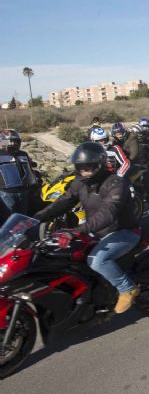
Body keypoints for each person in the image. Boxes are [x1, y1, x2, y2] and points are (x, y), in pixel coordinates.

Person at [34, 142, 140, 313]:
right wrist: (36, 218)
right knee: (61, 256)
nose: (84, 171)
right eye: (81, 167)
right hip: (96, 232)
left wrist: (80, 229)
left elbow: (108, 213)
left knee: (97, 260)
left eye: (89, 167)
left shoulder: (115, 183)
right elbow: (63, 202)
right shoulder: (79, 183)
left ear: (99, 164)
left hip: (123, 232)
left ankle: (127, 288)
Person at [0, 129, 39, 223]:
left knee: (22, 220)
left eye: (16, 141)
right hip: (6, 193)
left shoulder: (23, 154)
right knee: (8, 221)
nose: (14, 143)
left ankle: (22, 236)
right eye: (11, 141)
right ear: (2, 141)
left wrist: (34, 183)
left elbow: (29, 170)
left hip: (24, 192)